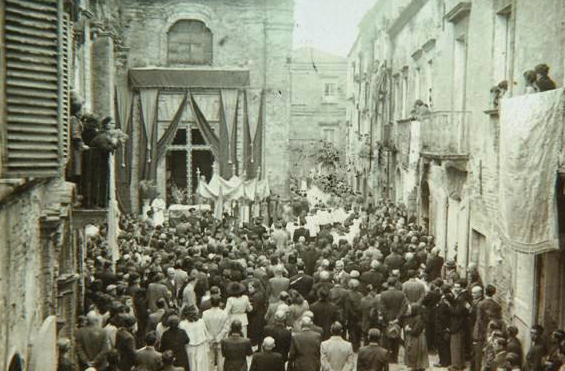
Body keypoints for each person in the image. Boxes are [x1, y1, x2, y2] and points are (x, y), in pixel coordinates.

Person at [379, 277, 408, 363]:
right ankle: (394, 358)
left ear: (388, 284)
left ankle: (387, 357)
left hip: (387, 319)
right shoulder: (401, 294)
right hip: (398, 319)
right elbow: (404, 307)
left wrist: (388, 320)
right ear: (395, 284)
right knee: (396, 338)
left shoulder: (383, 294)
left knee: (386, 338)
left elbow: (382, 309)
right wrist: (397, 318)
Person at [202, 295, 229, 371]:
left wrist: (210, 337)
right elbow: (226, 328)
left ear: (211, 303)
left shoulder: (205, 313)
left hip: (209, 340)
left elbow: (204, 327)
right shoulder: (224, 313)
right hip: (221, 340)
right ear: (219, 303)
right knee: (220, 360)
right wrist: (218, 338)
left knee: (210, 360)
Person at [179, 306, 210, 371]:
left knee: (193, 365)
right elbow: (206, 334)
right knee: (201, 365)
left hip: (192, 347)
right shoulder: (201, 321)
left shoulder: (182, 324)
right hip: (199, 346)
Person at [403, 304, 429, 371]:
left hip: (417, 339)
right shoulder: (418, 317)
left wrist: (408, 330)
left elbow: (415, 331)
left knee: (415, 353)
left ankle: (416, 367)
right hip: (419, 338)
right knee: (418, 354)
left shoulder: (418, 318)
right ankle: (419, 366)